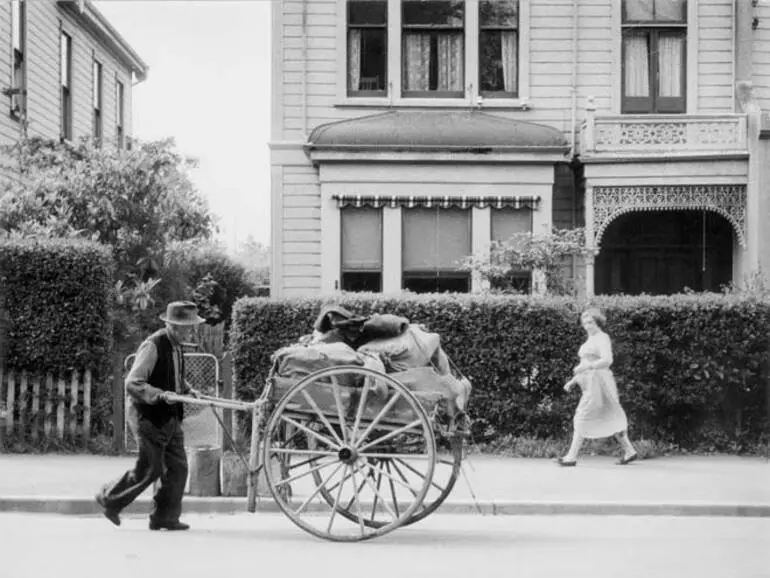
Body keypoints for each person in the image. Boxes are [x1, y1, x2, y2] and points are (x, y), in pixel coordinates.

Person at [95, 301, 204, 530]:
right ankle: (108, 498)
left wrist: (187, 390)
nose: (190, 330)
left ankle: (165, 517)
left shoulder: (177, 345)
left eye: (191, 326)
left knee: (178, 469)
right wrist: (160, 395)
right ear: (173, 326)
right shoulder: (153, 346)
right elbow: (133, 383)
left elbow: (173, 374)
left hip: (170, 417)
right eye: (187, 326)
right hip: (148, 416)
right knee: (150, 468)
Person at [558, 307, 638, 467]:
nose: (588, 325)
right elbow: (584, 365)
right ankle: (630, 451)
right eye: (585, 322)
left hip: (600, 384)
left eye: (591, 322)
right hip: (589, 384)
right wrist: (573, 381)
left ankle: (571, 456)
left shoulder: (602, 338)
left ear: (598, 322)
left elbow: (607, 360)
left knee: (581, 415)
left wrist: (586, 368)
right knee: (609, 415)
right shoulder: (590, 340)